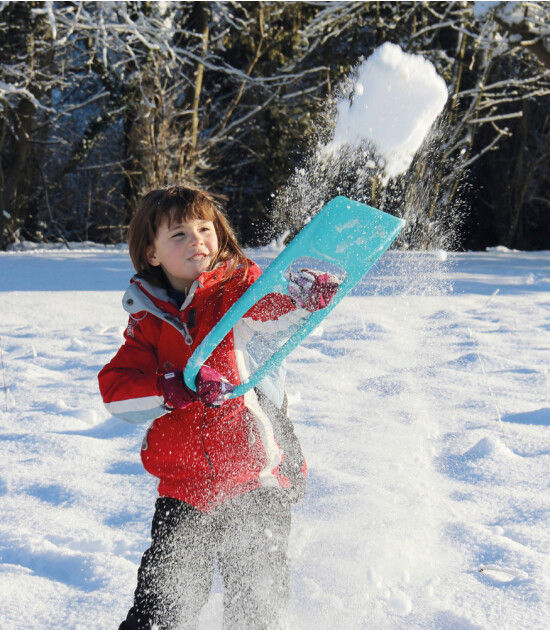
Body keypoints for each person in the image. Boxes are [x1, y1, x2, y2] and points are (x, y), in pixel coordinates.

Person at [98, 185, 339, 630]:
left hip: (255, 479)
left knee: (255, 608)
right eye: (179, 234)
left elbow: (272, 308)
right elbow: (116, 390)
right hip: (185, 489)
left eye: (204, 228)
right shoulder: (149, 322)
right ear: (152, 254)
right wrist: (171, 386)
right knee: (160, 610)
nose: (197, 240)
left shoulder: (237, 288)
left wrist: (302, 299)